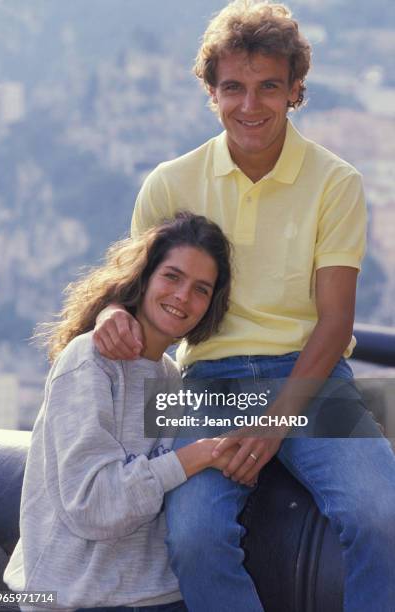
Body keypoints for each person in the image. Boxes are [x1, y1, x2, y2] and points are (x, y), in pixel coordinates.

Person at [92, 2, 395, 612]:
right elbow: (126, 297)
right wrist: (108, 319)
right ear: (210, 91)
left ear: (295, 92)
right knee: (193, 537)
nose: (250, 106)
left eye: (268, 88)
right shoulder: (169, 184)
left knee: (383, 517)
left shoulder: (336, 182)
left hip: (312, 378)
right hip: (204, 381)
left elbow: (335, 322)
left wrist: (275, 420)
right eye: (233, 88)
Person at [4, 212, 241, 611]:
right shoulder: (89, 361)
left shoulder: (171, 379)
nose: (183, 296)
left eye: (201, 289)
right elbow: (95, 505)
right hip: (74, 598)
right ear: (143, 277)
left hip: (158, 595)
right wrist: (193, 458)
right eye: (172, 276)